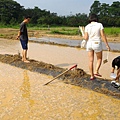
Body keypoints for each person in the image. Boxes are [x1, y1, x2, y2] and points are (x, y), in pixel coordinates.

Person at [83, 13, 110, 80]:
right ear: (96, 19)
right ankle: (96, 71)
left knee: (90, 61)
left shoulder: (87, 26)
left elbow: (86, 38)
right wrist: (107, 45)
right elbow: (103, 35)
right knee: (99, 58)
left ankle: (92, 76)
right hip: (97, 43)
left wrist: (83, 35)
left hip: (89, 44)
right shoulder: (99, 25)